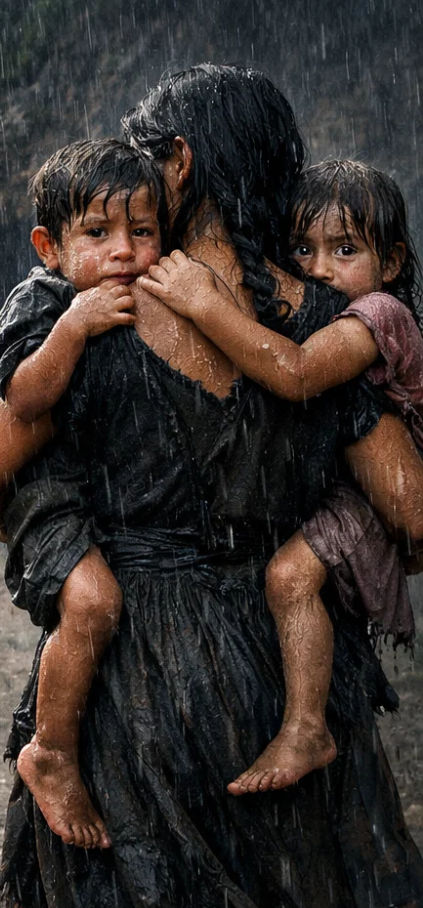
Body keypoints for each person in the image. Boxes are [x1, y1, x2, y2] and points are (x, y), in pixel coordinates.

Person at [0, 65, 423, 908]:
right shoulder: (325, 321)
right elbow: (413, 511)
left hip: (126, 678)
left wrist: (70, 542)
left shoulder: (95, 308)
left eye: (145, 154)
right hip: (274, 671)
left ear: (179, 162)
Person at [142, 159, 423, 794]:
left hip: (373, 496)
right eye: (304, 249)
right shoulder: (341, 306)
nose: (320, 269)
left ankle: (306, 728)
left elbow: (294, 373)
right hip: (355, 489)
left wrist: (203, 302)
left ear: (394, 262)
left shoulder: (377, 315)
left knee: (288, 575)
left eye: (345, 249)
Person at [0, 139, 164, 848]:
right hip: (45, 491)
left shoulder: (138, 295)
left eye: (141, 232)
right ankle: (49, 750)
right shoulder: (43, 301)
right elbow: (24, 397)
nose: (123, 251)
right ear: (49, 246)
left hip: (90, 490)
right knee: (94, 602)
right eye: (98, 233)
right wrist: (73, 328)